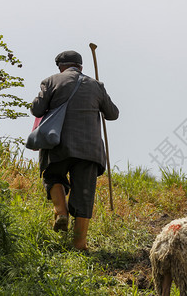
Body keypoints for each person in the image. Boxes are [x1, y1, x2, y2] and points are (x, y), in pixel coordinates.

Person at [30, 50, 119, 250]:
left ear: (61, 67)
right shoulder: (96, 85)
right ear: (80, 67)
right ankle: (80, 244)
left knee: (52, 174)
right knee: (84, 195)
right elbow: (113, 114)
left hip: (57, 143)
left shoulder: (51, 81)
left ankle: (61, 212)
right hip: (90, 150)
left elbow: (36, 109)